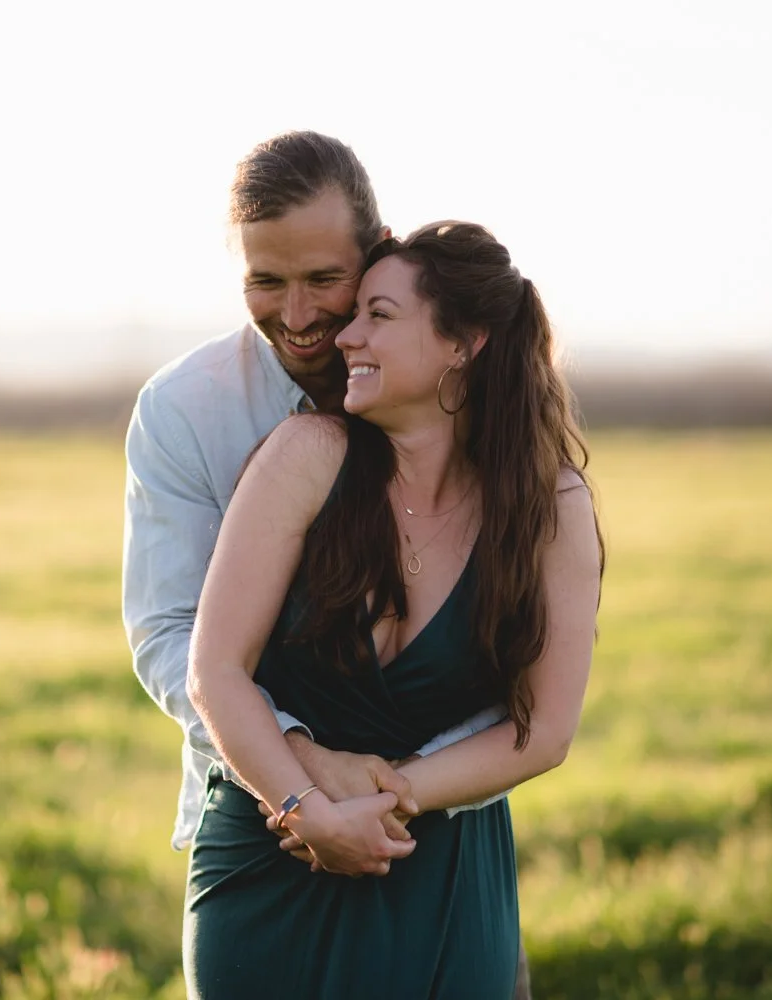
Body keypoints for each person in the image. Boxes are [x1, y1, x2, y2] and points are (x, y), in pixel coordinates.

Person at [122, 133, 529, 993]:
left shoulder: (488, 422)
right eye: (265, 282)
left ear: (378, 251)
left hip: (436, 834)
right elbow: (170, 637)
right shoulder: (186, 411)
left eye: (323, 280)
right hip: (268, 822)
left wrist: (389, 791)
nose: (298, 315)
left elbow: (520, 669)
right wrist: (306, 767)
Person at [184, 221, 602, 997]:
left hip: (433, 863)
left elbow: (544, 732)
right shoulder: (307, 456)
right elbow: (215, 668)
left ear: (463, 343)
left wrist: (388, 803)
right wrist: (306, 809)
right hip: (272, 856)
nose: (347, 336)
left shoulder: (549, 505)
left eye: (379, 314)